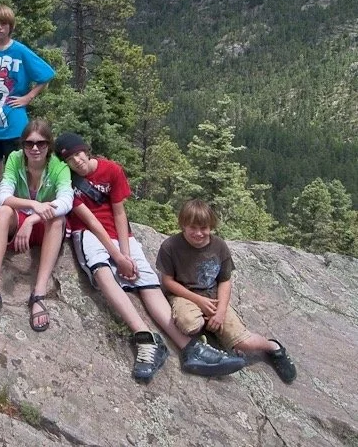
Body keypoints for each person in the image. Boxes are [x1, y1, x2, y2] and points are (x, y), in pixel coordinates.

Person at [55, 132, 247, 382]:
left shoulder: (112, 170)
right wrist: (117, 257)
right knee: (102, 272)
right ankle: (145, 338)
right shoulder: (68, 181)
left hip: (121, 234)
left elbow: (119, 213)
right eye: (70, 159)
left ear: (86, 150)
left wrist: (125, 252)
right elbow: (90, 220)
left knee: (147, 281)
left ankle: (189, 347)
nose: (77, 161)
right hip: (89, 233)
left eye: (78, 153)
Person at [157, 199, 297, 383]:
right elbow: (167, 281)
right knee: (189, 324)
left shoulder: (219, 246)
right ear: (183, 224)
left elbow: (225, 280)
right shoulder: (171, 246)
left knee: (243, 342)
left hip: (213, 297)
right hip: (185, 294)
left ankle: (273, 347)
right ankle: (207, 340)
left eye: (204, 228)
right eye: (193, 227)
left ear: (211, 226)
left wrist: (221, 311)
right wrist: (198, 301)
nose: (199, 233)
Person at [0, 120, 73, 332]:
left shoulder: (59, 167)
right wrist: (33, 204)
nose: (35, 148)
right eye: (29, 143)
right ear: (22, 145)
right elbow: (3, 197)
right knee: (3, 212)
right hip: (19, 219)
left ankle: (38, 294)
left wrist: (32, 219)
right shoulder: (15, 159)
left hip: (42, 225)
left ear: (49, 145)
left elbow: (66, 202)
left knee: (57, 220)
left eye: (41, 143)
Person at [0, 4, 55, 181]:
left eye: (4, 24)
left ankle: (18, 201)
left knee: (19, 165)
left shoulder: (20, 51)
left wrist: (28, 97)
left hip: (15, 119)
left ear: (10, 26)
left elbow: (47, 74)